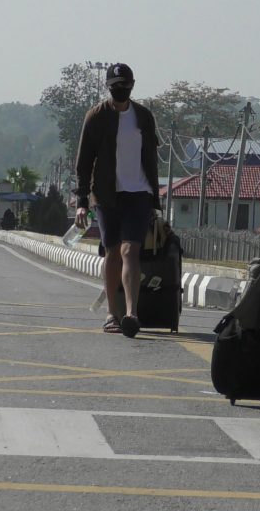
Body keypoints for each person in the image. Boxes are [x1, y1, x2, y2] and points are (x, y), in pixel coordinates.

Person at [74, 63, 161, 338]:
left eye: (124, 85)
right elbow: (84, 161)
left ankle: (132, 314)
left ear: (132, 86)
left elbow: (151, 158)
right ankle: (112, 313)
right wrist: (81, 201)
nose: (120, 90)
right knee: (112, 252)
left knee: (130, 252)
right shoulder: (96, 116)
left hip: (139, 193)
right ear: (108, 88)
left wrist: (155, 198)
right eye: (115, 86)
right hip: (106, 195)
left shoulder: (144, 117)